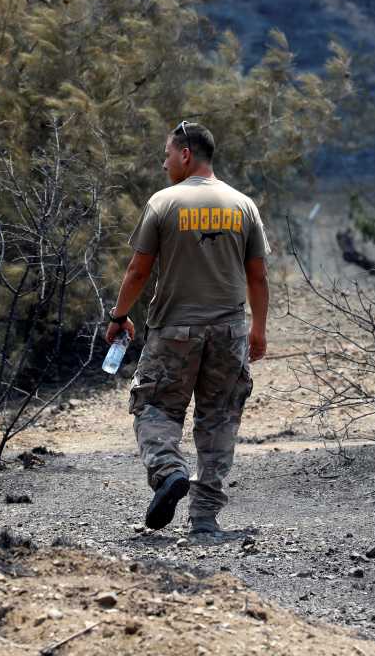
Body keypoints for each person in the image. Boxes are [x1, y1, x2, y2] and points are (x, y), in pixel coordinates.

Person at [104, 120, 270, 536]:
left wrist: (118, 315)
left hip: (174, 330)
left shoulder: (163, 203)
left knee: (154, 406)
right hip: (229, 331)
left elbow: (138, 270)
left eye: (166, 154)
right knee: (219, 420)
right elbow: (258, 277)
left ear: (185, 154)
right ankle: (204, 518)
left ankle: (168, 471)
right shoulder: (243, 205)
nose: (163, 164)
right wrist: (259, 330)